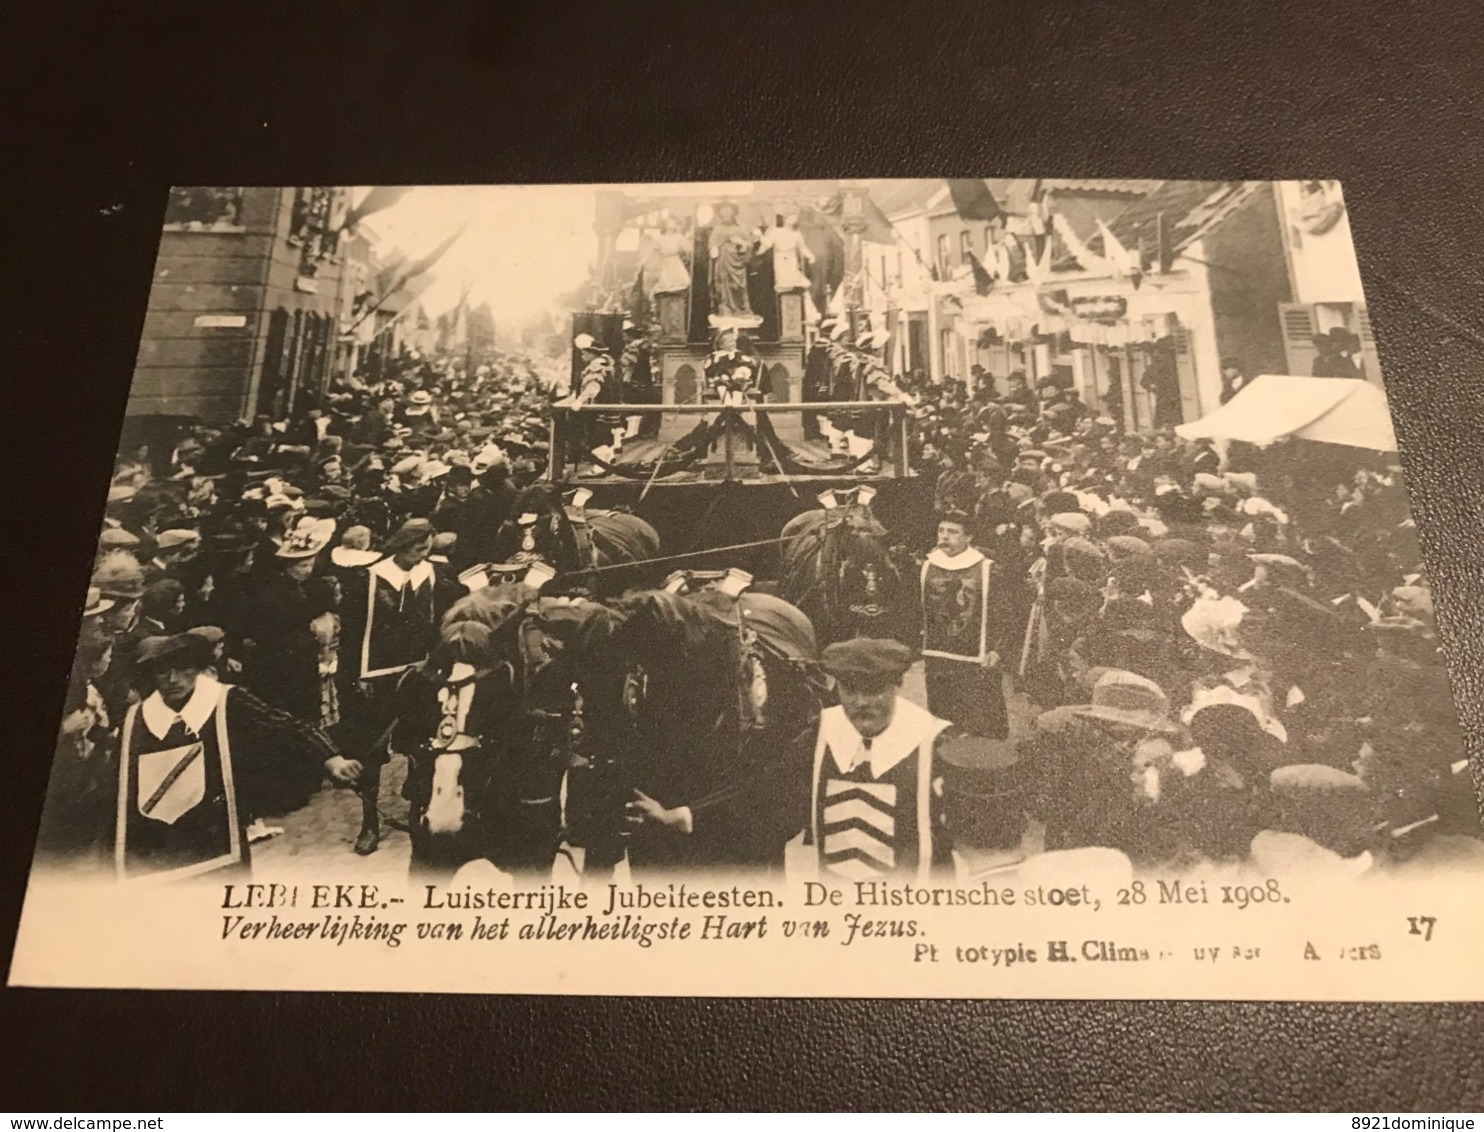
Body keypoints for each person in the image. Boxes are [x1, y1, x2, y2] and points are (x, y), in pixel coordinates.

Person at [109, 632, 359, 882]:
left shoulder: (225, 701)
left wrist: (332, 759)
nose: (173, 680)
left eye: (184, 669)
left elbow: (288, 726)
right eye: (163, 672)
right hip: (159, 847)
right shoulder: (137, 719)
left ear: (199, 670)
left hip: (218, 836)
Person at [339, 517, 444, 854]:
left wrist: (434, 662)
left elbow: (443, 624)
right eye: (416, 547)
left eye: (426, 546)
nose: (421, 553)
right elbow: (352, 637)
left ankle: (419, 811)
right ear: (400, 546)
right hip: (376, 679)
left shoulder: (437, 575)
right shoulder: (367, 580)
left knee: (422, 745)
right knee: (370, 753)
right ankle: (369, 822)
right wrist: (356, 677)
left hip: (419, 674)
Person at [810, 637, 953, 880]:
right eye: (850, 690)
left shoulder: (934, 743)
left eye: (873, 690)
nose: (861, 702)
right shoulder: (819, 735)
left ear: (896, 685)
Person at [920, 512, 1016, 740]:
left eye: (952, 532)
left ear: (969, 537)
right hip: (938, 658)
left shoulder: (988, 569)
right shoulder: (927, 566)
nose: (944, 537)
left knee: (980, 724)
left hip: (977, 659)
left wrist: (998, 650)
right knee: (944, 723)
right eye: (941, 531)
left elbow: (1007, 615)